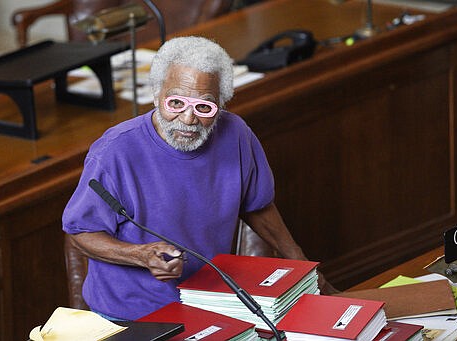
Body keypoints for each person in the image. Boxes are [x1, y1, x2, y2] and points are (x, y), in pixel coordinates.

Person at [62, 36, 336, 321]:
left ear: (221, 104)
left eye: (204, 107)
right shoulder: (115, 151)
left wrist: (306, 270)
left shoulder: (236, 134)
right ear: (156, 96)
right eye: (176, 103)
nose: (189, 119)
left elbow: (258, 206)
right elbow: (80, 232)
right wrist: (140, 255)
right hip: (130, 316)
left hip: (210, 302)